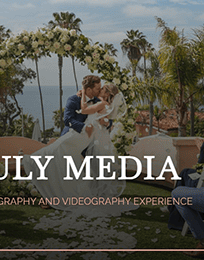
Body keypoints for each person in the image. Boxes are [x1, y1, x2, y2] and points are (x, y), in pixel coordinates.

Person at [23, 81, 128, 214]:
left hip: (84, 135)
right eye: (98, 87)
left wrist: (84, 93)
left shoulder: (101, 103)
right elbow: (69, 118)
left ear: (106, 93)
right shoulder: (82, 99)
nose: (99, 89)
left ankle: (36, 166)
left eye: (101, 88)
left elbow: (89, 112)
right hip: (80, 133)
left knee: (55, 151)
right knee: (60, 157)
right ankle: (56, 192)